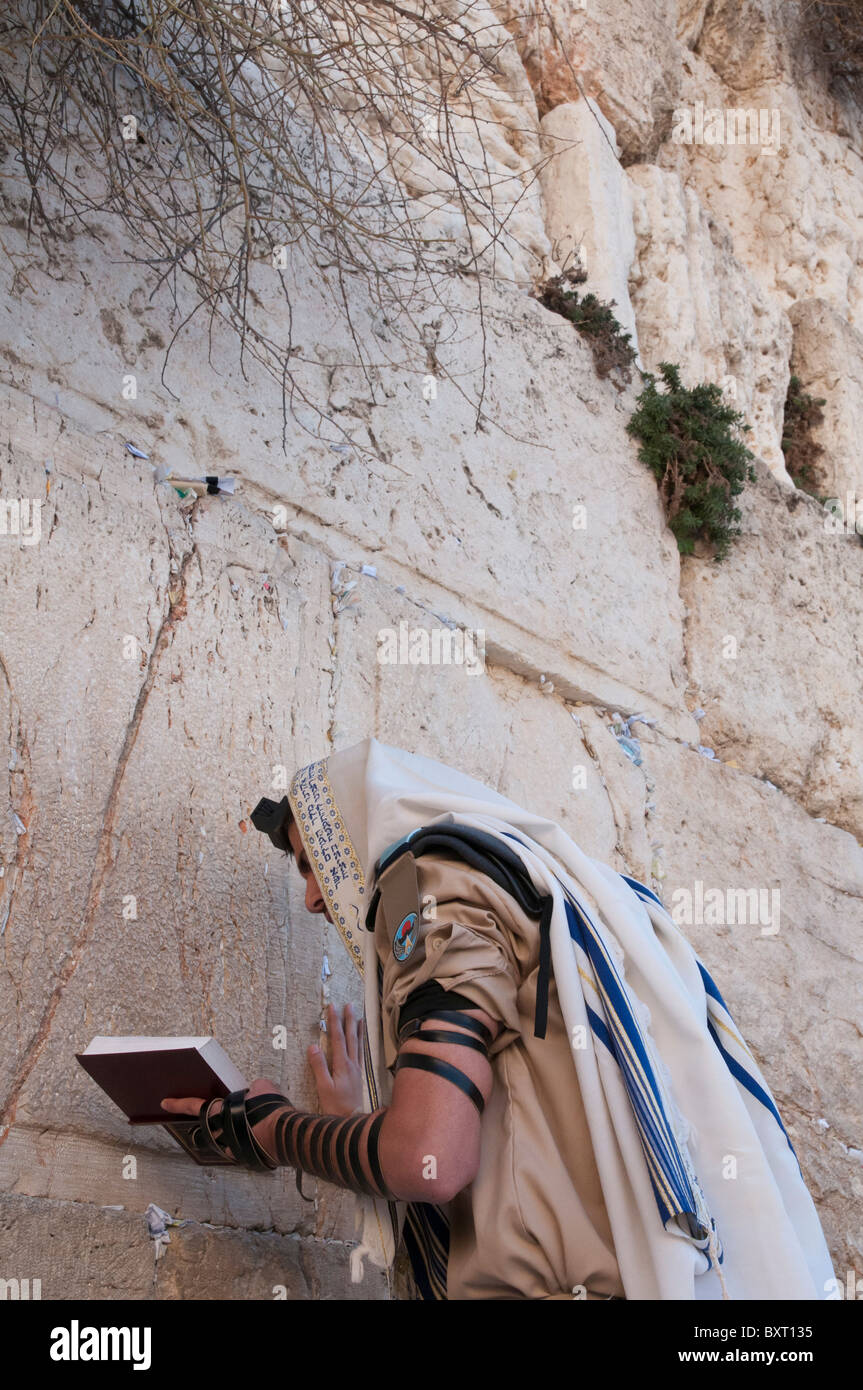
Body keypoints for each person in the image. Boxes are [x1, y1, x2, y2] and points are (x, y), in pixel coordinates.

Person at [162, 737, 835, 1301]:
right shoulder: (549, 889)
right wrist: (360, 1126)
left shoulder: (422, 880)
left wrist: (270, 1131)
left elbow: (428, 1161)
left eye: (313, 865)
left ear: (353, 827)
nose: (312, 899)